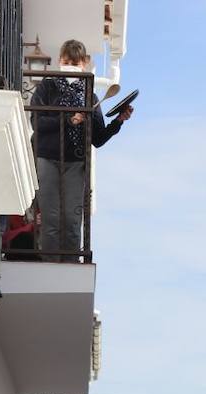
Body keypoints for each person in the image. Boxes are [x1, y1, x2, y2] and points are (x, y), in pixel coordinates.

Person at [31, 40, 133, 258]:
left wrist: (119, 121)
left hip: (75, 163)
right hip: (47, 158)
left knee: (71, 220)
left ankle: (69, 264)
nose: (71, 66)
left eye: (75, 62)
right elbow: (37, 123)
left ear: (85, 63)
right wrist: (68, 120)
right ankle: (50, 263)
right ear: (60, 61)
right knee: (51, 218)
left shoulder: (90, 96)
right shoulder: (47, 87)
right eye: (67, 62)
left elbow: (98, 138)